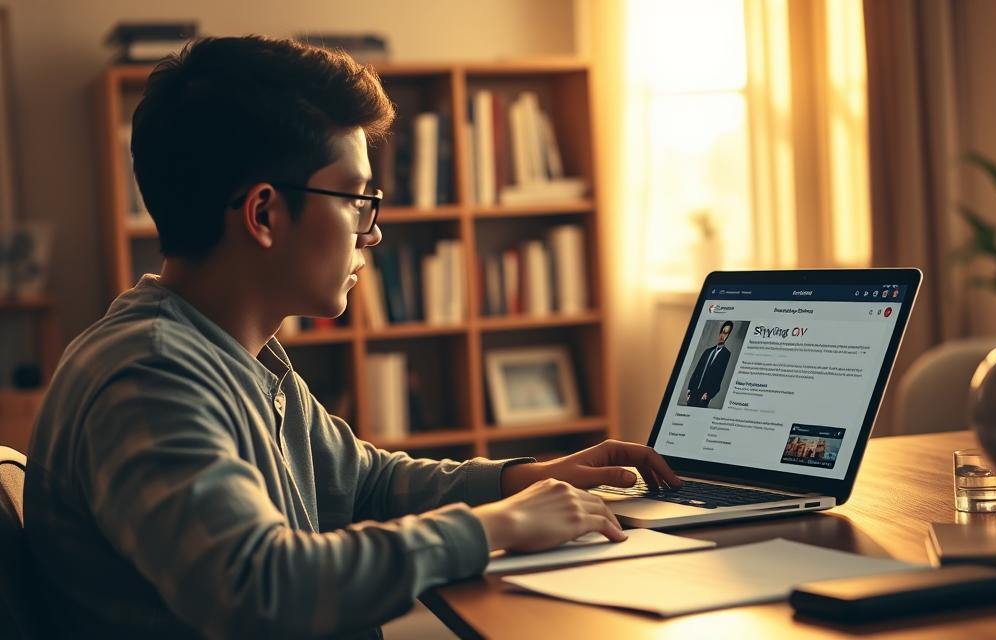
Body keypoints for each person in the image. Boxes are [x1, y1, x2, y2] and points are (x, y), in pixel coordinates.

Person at [22, 36, 681, 639]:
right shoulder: (149, 377)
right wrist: (497, 527)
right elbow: (258, 587)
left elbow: (364, 483)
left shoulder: (234, 353)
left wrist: (525, 480)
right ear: (264, 213)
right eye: (358, 199)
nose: (374, 233)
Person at [685, 320, 734, 408]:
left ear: (728, 336)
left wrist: (710, 394)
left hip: (704, 395)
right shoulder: (707, 351)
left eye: (726, 333)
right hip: (693, 392)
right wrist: (689, 389)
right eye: (723, 332)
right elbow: (696, 370)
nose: (723, 335)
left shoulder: (726, 354)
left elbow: (719, 377)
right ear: (720, 332)